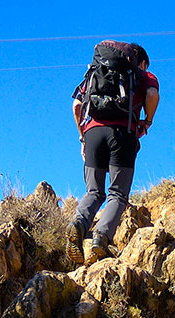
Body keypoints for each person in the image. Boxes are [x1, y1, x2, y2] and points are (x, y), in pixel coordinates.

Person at [67, 42, 159, 263]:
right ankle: (101, 238)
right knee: (117, 193)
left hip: (92, 134)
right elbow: (152, 94)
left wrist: (82, 136)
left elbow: (77, 106)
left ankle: (78, 224)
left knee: (93, 191)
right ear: (142, 61)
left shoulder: (95, 72)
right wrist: (148, 120)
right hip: (123, 134)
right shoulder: (142, 74)